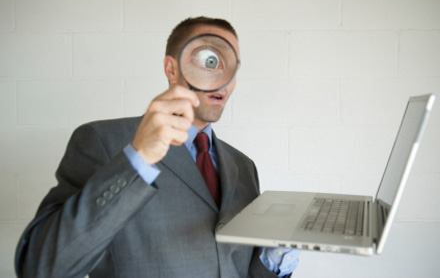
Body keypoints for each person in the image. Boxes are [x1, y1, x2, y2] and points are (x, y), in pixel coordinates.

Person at [15, 16, 300, 278]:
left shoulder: (243, 166)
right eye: (210, 60)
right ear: (172, 68)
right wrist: (138, 159)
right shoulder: (103, 141)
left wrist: (276, 254)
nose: (223, 79)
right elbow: (41, 268)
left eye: (233, 67)